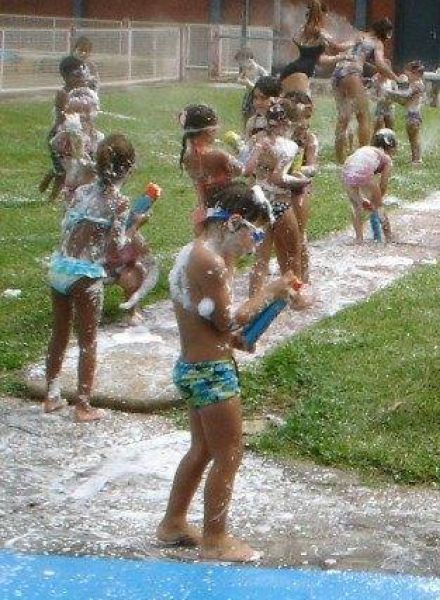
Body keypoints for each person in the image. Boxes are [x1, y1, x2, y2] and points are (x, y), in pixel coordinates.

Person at [157, 181, 302, 562]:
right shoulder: (212, 262)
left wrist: (240, 339)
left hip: (194, 366)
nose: (255, 243)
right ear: (233, 222)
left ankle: (173, 523)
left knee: (203, 448)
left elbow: (212, 326)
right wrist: (268, 292)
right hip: (211, 374)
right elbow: (228, 319)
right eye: (254, 233)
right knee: (229, 454)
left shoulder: (195, 252)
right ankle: (215, 538)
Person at [44, 134, 137, 422]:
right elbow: (116, 247)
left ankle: (51, 395)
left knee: (59, 333)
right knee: (88, 341)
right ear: (129, 167)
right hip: (85, 274)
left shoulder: (82, 191)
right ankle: (83, 405)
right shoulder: (119, 202)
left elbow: (69, 226)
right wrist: (137, 224)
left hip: (59, 268)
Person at [245, 103, 307, 296]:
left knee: (260, 259)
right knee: (292, 252)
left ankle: (253, 300)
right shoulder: (289, 146)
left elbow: (247, 170)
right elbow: (278, 178)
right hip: (278, 202)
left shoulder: (255, 141)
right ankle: (295, 295)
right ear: (286, 122)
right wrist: (301, 181)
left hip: (257, 202)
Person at [331, 18, 397, 163]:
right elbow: (380, 64)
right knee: (363, 115)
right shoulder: (377, 42)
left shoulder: (359, 35)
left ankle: (339, 159)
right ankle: (364, 157)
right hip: (352, 73)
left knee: (343, 117)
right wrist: (395, 77)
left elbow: (339, 46)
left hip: (337, 73)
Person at [179, 104, 244, 234]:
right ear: (209, 131)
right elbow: (241, 170)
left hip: (205, 211)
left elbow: (199, 183)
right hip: (226, 210)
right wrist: (240, 149)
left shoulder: (187, 157)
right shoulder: (219, 155)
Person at [39, 55, 91, 201]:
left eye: (83, 74)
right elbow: (63, 117)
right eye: (77, 75)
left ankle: (51, 173)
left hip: (73, 136)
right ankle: (52, 199)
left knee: (67, 167)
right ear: (65, 77)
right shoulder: (62, 93)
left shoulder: (82, 93)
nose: (81, 78)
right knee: (63, 172)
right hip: (59, 137)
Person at [284, 90, 320, 283]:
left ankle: (303, 277)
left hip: (299, 188)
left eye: (304, 118)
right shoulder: (282, 136)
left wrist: (299, 171)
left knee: (299, 234)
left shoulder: (309, 138)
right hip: (280, 188)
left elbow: (313, 167)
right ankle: (290, 274)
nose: (300, 124)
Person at [280, 0, 348, 96]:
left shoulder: (302, 30)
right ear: (322, 15)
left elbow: (296, 40)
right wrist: (354, 43)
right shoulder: (322, 33)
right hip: (304, 70)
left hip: (292, 67)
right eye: (326, 16)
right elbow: (337, 46)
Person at [341, 128, 397, 243]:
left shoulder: (366, 149)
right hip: (364, 172)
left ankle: (359, 238)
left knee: (356, 206)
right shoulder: (386, 159)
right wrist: (377, 200)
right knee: (379, 208)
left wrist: (361, 199)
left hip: (346, 171)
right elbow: (384, 182)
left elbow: (355, 166)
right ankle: (389, 236)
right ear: (391, 146)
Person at [50, 86, 104, 203]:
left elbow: (98, 160)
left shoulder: (97, 136)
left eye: (86, 110)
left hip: (91, 185)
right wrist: (67, 133)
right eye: (77, 111)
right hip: (72, 185)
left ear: (95, 111)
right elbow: (54, 144)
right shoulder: (66, 134)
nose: (82, 115)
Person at [387, 60, 426, 165]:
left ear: (415, 73)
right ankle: (415, 159)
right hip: (412, 114)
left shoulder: (417, 84)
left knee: (415, 138)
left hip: (414, 115)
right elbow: (406, 102)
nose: (406, 75)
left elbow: (405, 95)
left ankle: (417, 159)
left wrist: (389, 92)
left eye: (408, 73)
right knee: (412, 138)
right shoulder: (416, 83)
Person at [235, 48, 269, 123]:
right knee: (245, 114)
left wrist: (249, 83)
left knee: (255, 114)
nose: (240, 65)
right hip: (248, 95)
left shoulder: (259, 70)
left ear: (249, 59)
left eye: (241, 62)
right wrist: (241, 80)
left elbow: (265, 84)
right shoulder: (245, 69)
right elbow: (239, 79)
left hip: (256, 96)